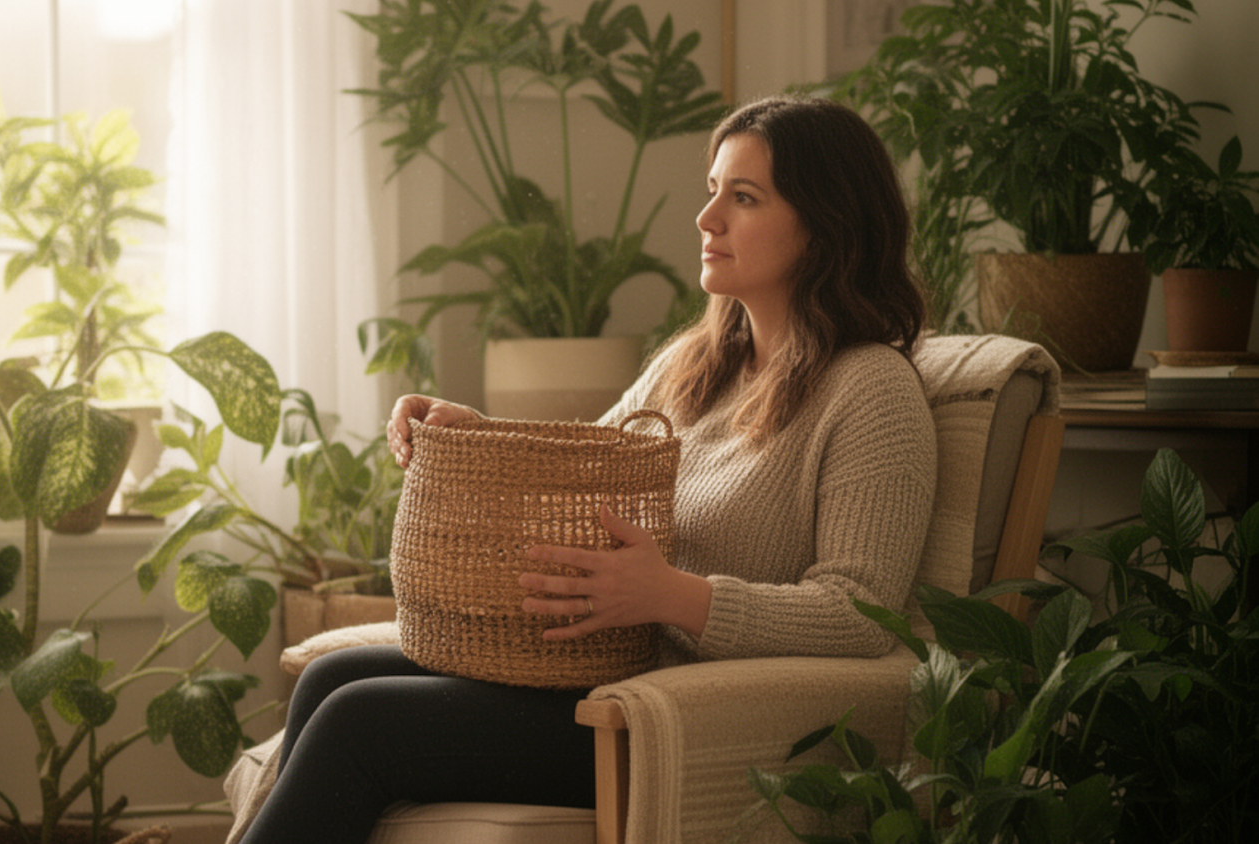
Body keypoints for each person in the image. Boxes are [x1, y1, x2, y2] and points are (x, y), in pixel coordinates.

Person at [235, 94, 937, 843]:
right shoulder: (694, 366)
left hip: (672, 720)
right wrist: (477, 435)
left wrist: (675, 597)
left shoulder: (871, 391)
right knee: (329, 678)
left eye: (744, 198)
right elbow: (574, 476)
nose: (707, 221)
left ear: (826, 225)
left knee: (358, 721)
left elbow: (862, 615)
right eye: (713, 194)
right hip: (598, 678)